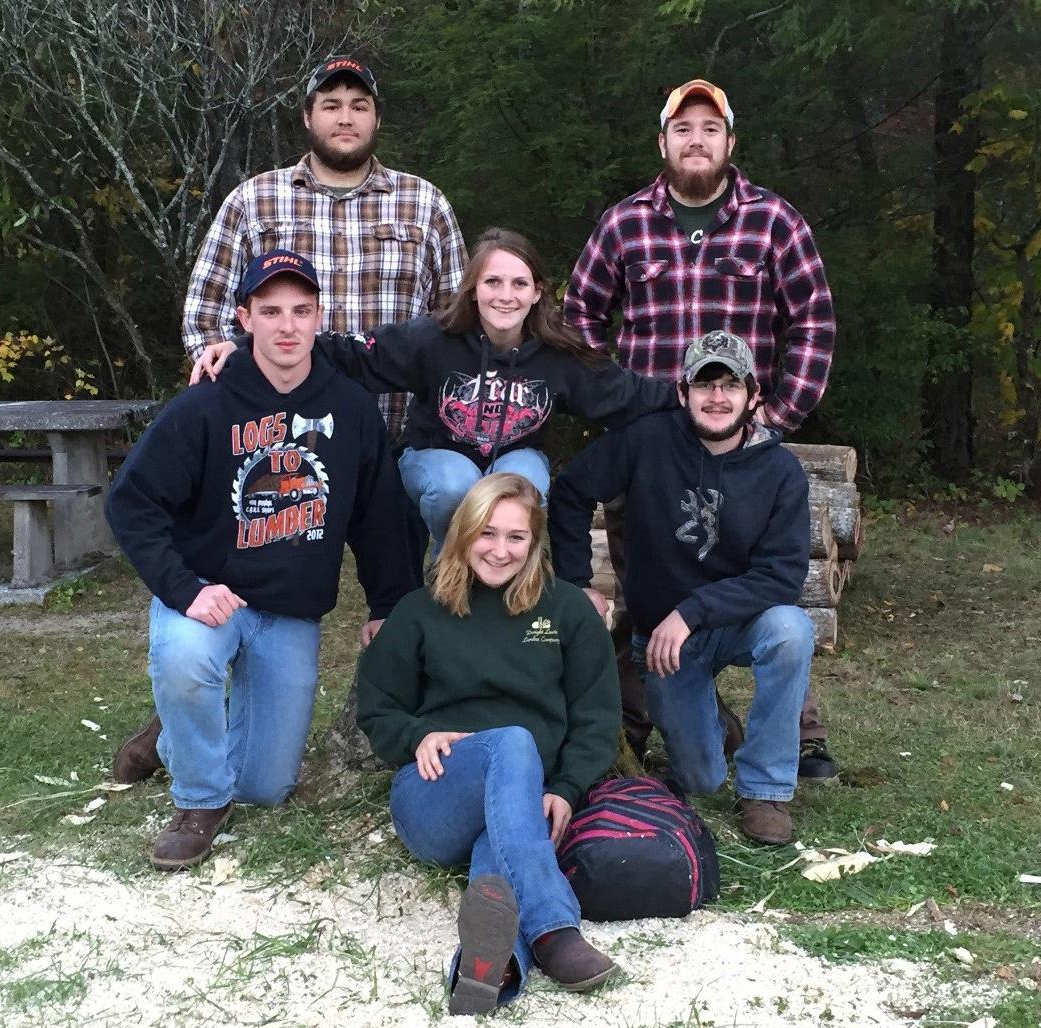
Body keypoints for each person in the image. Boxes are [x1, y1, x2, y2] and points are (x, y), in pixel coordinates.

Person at [562, 77, 838, 782]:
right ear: (663, 143)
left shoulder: (775, 222)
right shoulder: (625, 224)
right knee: (647, 583)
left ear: (729, 142)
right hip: (653, 446)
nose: (696, 139)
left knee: (770, 594)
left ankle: (798, 736)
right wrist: (614, 398)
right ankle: (659, 712)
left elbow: (813, 321)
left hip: (742, 442)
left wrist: (774, 417)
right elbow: (580, 316)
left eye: (709, 129)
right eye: (682, 128)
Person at [107, 250, 417, 870]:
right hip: (210, 598)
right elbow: (131, 503)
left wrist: (390, 606)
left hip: (289, 612)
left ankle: (170, 737)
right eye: (270, 311)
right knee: (187, 658)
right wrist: (184, 587)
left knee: (265, 788)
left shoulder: (351, 409)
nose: (287, 326)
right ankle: (198, 802)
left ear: (319, 318)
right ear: (244, 318)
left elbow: (380, 517)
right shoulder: (205, 405)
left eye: (301, 311)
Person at [195, 227, 678, 556]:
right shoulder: (432, 339)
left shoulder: (556, 356)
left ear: (537, 292)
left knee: (523, 489)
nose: (504, 295)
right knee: (458, 485)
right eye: (492, 281)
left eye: (518, 283)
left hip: (515, 457)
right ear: (472, 289)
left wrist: (692, 398)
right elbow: (347, 353)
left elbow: (624, 392)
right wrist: (244, 345)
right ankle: (449, 574)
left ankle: (510, 583)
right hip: (434, 458)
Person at [357, 473, 622, 1014]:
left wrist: (568, 788)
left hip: (527, 800)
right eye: (487, 533)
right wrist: (416, 735)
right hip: (433, 795)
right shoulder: (420, 610)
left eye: (516, 537)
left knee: (501, 838)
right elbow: (377, 706)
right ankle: (553, 929)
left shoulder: (568, 611)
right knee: (512, 742)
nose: (500, 551)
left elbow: (597, 717)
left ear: (535, 542)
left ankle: (492, 967)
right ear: (463, 533)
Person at [548, 331, 814, 847]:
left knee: (791, 630)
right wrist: (576, 583)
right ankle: (715, 728)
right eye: (704, 384)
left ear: (753, 395)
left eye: (730, 385)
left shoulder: (780, 471)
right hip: (666, 642)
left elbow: (782, 575)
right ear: (681, 392)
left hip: (737, 622)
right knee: (700, 780)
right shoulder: (646, 440)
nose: (717, 398)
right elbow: (571, 492)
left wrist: (693, 610)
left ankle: (766, 789)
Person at [182, 55, 466, 447]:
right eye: (331, 105)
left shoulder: (426, 204)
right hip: (277, 444)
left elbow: (458, 324)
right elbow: (204, 320)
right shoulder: (254, 201)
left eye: (359, 106)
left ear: (377, 119)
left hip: (400, 443)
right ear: (307, 117)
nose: (345, 118)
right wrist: (251, 395)